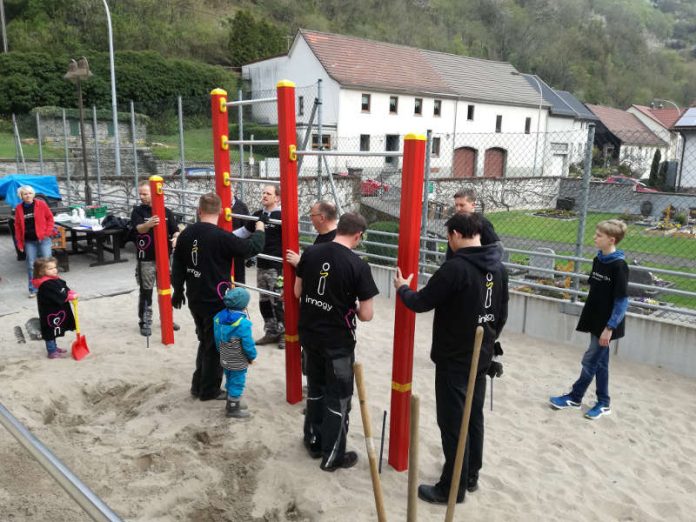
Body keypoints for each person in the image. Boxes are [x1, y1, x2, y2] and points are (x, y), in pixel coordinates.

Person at [393, 212, 508, 504]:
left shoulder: (455, 268)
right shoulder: (498, 266)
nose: (449, 242)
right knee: (474, 417)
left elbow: (421, 302)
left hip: (454, 359)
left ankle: (451, 488)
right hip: (481, 355)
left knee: (454, 423)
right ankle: (470, 475)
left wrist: (402, 288)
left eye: (448, 237)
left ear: (456, 234)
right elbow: (501, 314)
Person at [294, 212, 379, 472]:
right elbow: (366, 314)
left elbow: (298, 292)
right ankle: (332, 456)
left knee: (316, 389)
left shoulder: (311, 252)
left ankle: (313, 439)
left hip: (309, 335)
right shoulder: (358, 266)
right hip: (337, 342)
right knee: (339, 398)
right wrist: (349, 305)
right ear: (358, 235)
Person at [172, 193, 265, 402]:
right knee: (213, 345)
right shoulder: (221, 237)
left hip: (194, 296)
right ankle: (208, 390)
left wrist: (177, 290)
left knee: (204, 340)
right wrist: (260, 229)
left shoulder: (186, 234)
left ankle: (198, 385)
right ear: (221, 212)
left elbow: (177, 265)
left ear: (199, 210)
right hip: (215, 300)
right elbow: (252, 248)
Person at [549, 219, 629, 420]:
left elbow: (622, 301)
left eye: (599, 235)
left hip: (607, 324)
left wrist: (609, 327)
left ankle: (576, 397)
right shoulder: (599, 259)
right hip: (594, 319)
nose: (595, 237)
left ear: (611, 240)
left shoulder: (619, 266)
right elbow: (596, 290)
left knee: (590, 360)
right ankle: (603, 402)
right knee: (600, 362)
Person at [234, 184, 284, 348]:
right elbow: (243, 232)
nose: (264, 195)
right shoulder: (258, 215)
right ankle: (271, 331)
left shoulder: (281, 216)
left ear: (277, 197)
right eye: (263, 193)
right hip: (262, 264)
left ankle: (285, 332)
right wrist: (223, 237)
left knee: (278, 299)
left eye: (268, 193)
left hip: (276, 265)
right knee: (264, 300)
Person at [130, 181, 180, 337]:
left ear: (154, 194)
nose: (142, 197)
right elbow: (138, 229)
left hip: (164, 258)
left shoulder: (166, 212)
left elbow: (175, 230)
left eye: (145, 194)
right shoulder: (138, 211)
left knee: (165, 289)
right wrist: (149, 224)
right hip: (146, 258)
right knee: (146, 290)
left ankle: (167, 319)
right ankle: (145, 321)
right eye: (140, 194)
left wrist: (176, 238)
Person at [213, 287, 256, 419]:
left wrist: (219, 349)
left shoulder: (219, 317)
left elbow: (216, 335)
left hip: (224, 354)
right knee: (238, 381)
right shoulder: (243, 324)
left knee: (230, 376)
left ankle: (230, 402)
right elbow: (248, 343)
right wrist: (252, 355)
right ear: (244, 305)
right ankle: (233, 408)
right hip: (238, 358)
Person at [14, 186, 55, 297]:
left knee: (48, 264)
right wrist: (19, 243)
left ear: (33, 194)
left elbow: (50, 219)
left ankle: (50, 287)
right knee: (31, 265)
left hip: (43, 239)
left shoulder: (41, 204)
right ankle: (34, 289)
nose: (28, 195)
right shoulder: (18, 208)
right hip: (29, 241)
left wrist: (47, 233)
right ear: (21, 196)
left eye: (30, 193)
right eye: (25, 194)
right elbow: (17, 226)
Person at [32, 257, 77, 359]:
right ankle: (51, 351)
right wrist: (68, 297)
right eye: (50, 269)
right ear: (42, 272)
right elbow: (56, 295)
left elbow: (63, 287)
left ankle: (54, 348)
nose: (54, 270)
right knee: (50, 329)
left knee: (55, 329)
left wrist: (70, 292)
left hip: (57, 311)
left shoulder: (55, 279)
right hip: (50, 312)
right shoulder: (46, 284)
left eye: (55, 267)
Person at [445, 189, 500, 260]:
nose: (458, 209)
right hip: (454, 264)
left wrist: (482, 265)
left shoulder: (482, 223)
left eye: (462, 205)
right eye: (456, 205)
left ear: (473, 205)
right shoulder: (454, 222)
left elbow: (496, 247)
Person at [285, 200, 338, 267]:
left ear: (321, 218)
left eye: (312, 216)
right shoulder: (327, 236)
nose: (311, 219)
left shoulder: (334, 242)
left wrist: (300, 264)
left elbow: (322, 271)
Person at [232, 193, 251, 284]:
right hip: (221, 248)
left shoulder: (242, 206)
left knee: (238, 280)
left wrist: (249, 254)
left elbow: (248, 228)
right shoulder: (217, 204)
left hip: (237, 249)